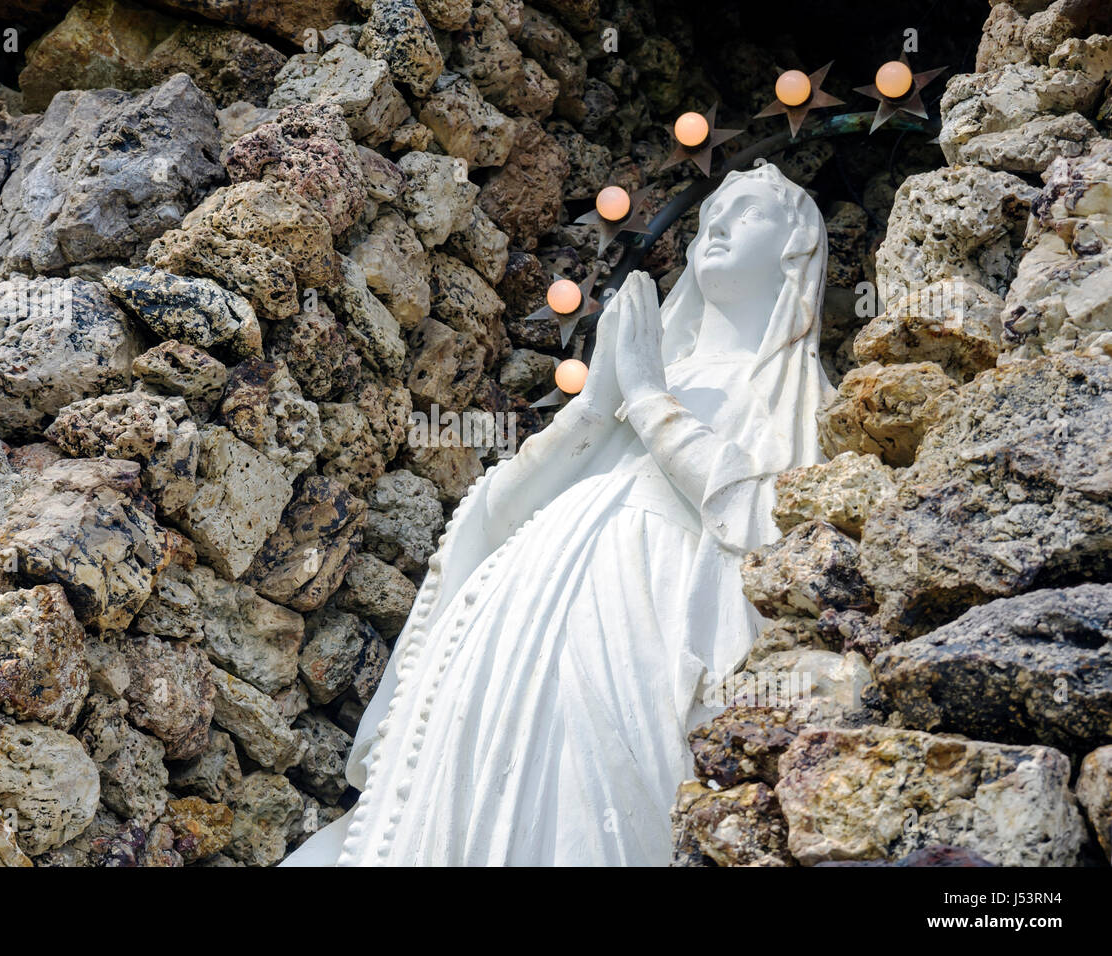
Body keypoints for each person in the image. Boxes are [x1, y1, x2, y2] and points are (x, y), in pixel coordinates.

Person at [284, 163, 835, 866]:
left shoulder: (801, 400)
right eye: (711, 213)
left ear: (797, 252)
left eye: (750, 213)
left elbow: (772, 529)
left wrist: (648, 401)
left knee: (589, 807)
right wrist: (596, 408)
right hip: (520, 609)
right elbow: (494, 514)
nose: (719, 224)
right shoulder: (632, 365)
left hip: (646, 619)